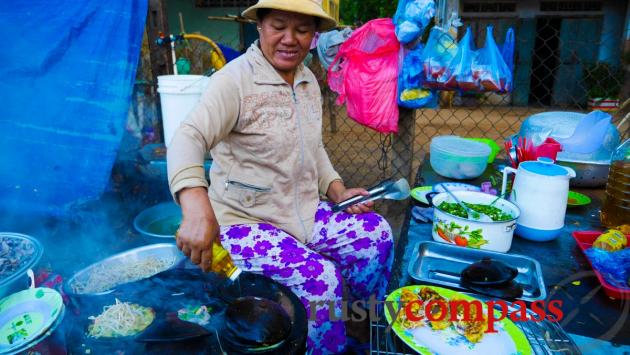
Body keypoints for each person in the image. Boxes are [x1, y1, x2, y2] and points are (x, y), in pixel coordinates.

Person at [166, 1, 394, 353]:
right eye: (279, 26)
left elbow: (312, 147)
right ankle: (325, 346)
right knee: (322, 279)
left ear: (314, 36)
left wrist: (337, 189)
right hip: (245, 222)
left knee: (375, 235)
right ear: (259, 26)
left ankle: (356, 322)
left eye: (302, 30)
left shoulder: (306, 80)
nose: (290, 39)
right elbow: (188, 137)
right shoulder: (234, 81)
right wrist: (196, 206)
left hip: (302, 210)